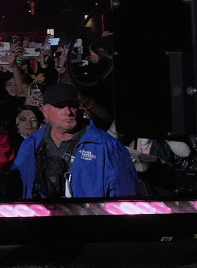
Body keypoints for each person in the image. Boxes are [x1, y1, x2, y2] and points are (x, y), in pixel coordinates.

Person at [9, 84, 138, 199]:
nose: (68, 112)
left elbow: (126, 199)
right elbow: (14, 194)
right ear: (45, 111)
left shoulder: (107, 147)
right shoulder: (31, 146)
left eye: (72, 106)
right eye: (60, 106)